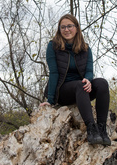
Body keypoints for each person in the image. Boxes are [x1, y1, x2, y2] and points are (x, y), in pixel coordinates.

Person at [40, 14, 111, 146]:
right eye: (63, 27)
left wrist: (89, 80)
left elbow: (89, 70)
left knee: (102, 83)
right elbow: (54, 72)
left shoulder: (85, 48)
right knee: (80, 84)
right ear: (59, 30)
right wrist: (50, 100)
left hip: (81, 90)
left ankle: (102, 129)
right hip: (62, 90)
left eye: (69, 26)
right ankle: (91, 129)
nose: (66, 30)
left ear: (76, 28)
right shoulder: (53, 46)